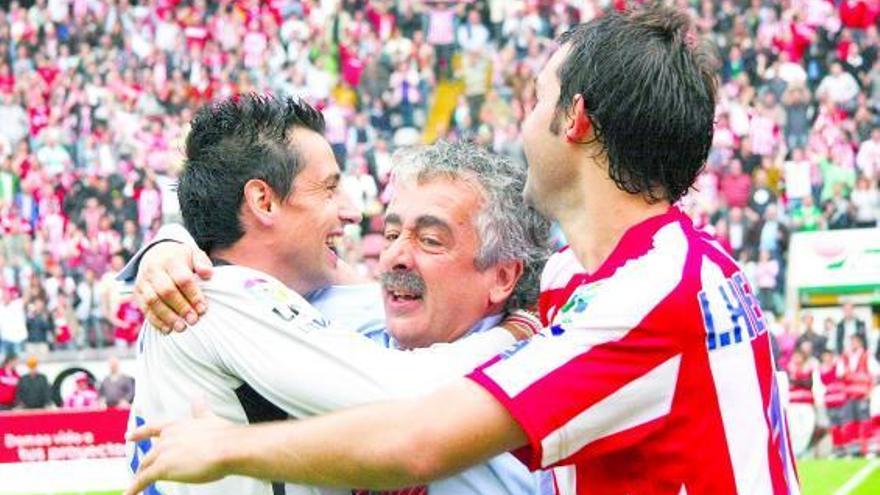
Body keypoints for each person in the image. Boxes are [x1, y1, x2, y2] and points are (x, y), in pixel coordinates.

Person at [127, 6, 797, 495]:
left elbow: (416, 441)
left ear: (575, 120)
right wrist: (176, 240)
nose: (521, 123)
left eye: (535, 101)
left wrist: (227, 448)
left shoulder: (649, 292)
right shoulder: (593, 273)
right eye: (394, 231)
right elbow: (289, 282)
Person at [125, 95, 546, 495]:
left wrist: (168, 241)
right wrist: (517, 333)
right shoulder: (214, 299)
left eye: (430, 240)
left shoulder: (313, 304)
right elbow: (405, 397)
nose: (350, 212)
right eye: (328, 189)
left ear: (503, 276)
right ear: (263, 201)